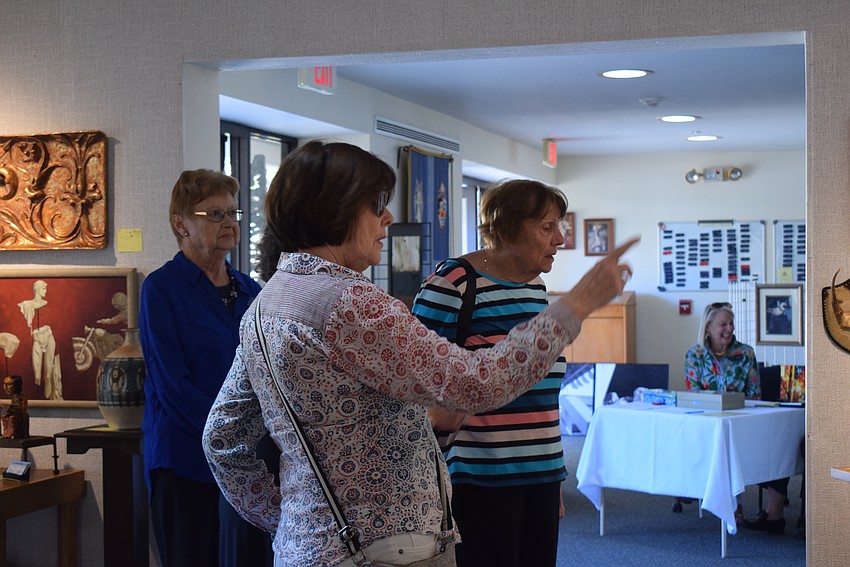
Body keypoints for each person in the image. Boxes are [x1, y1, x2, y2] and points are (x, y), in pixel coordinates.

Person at [202, 140, 638, 567]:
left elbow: (221, 439)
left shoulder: (267, 302)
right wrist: (578, 304)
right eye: (375, 205)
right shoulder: (351, 303)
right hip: (387, 546)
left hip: (311, 546)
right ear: (332, 213)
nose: (388, 218)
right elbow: (474, 383)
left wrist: (288, 521)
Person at [410, 179, 571, 567]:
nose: (561, 239)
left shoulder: (536, 288)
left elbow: (540, 394)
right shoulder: (456, 283)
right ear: (507, 227)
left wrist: (554, 480)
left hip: (542, 473)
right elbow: (414, 381)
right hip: (478, 478)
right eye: (547, 227)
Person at [139, 169, 274, 567]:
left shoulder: (251, 290)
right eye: (214, 214)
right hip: (185, 459)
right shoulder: (161, 289)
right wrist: (231, 435)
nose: (229, 223)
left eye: (233, 213)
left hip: (248, 462)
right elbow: (172, 386)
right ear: (181, 224)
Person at [683, 302, 788, 533]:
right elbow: (694, 398)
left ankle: (774, 514)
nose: (729, 328)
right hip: (708, 426)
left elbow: (755, 395)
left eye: (731, 323)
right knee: (723, 443)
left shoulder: (746, 353)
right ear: (708, 327)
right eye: (723, 324)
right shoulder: (695, 355)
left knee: (780, 440)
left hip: (743, 422)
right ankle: (733, 505)